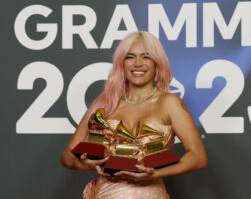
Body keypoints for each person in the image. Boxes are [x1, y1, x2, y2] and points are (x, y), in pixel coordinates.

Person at [61, 31, 208, 199]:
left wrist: (155, 174)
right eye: (130, 57)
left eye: (146, 57)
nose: (138, 64)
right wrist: (84, 165)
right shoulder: (103, 103)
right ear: (121, 63)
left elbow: (198, 156)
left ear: (157, 63)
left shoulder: (169, 103)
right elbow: (68, 155)